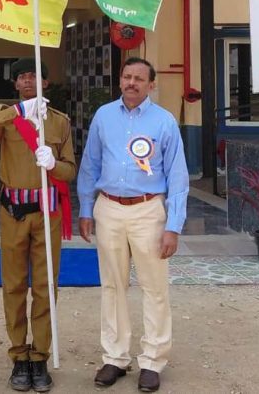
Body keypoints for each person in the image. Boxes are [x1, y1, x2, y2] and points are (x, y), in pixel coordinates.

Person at [77, 57, 189, 393]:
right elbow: (90, 163)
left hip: (148, 210)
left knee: (154, 288)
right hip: (109, 208)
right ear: (120, 80)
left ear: (151, 84)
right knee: (112, 286)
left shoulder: (164, 121)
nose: (132, 83)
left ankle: (152, 361)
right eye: (127, 76)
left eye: (139, 78)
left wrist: (173, 225)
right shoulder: (103, 116)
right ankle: (115, 357)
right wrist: (86, 208)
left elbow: (178, 176)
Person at [0, 59, 75, 393]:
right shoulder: (7, 118)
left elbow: (70, 170)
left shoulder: (59, 121)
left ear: (45, 81)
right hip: (13, 211)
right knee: (14, 285)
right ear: (16, 84)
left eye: (34, 76)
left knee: (45, 285)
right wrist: (17, 111)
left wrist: (54, 164)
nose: (28, 81)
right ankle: (18, 353)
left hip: (47, 212)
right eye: (22, 77)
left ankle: (39, 355)